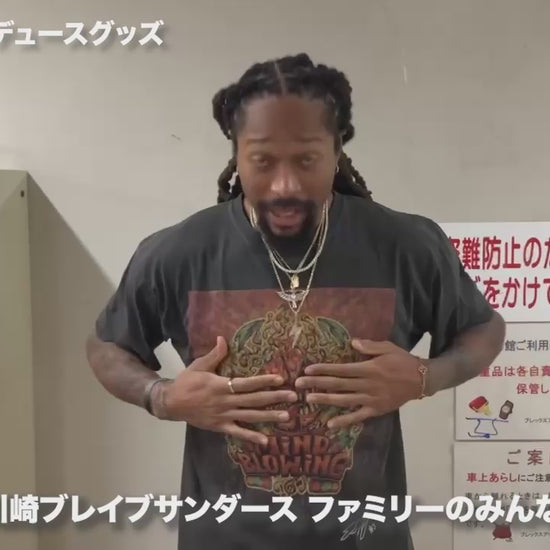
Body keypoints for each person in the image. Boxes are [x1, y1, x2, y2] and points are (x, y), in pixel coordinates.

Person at [86, 53, 505, 549]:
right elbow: (108, 346)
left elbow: (483, 328)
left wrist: (424, 377)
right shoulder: (178, 253)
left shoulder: (405, 245)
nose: (285, 185)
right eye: (263, 161)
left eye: (306, 160)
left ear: (336, 149)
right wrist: (162, 397)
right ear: (237, 153)